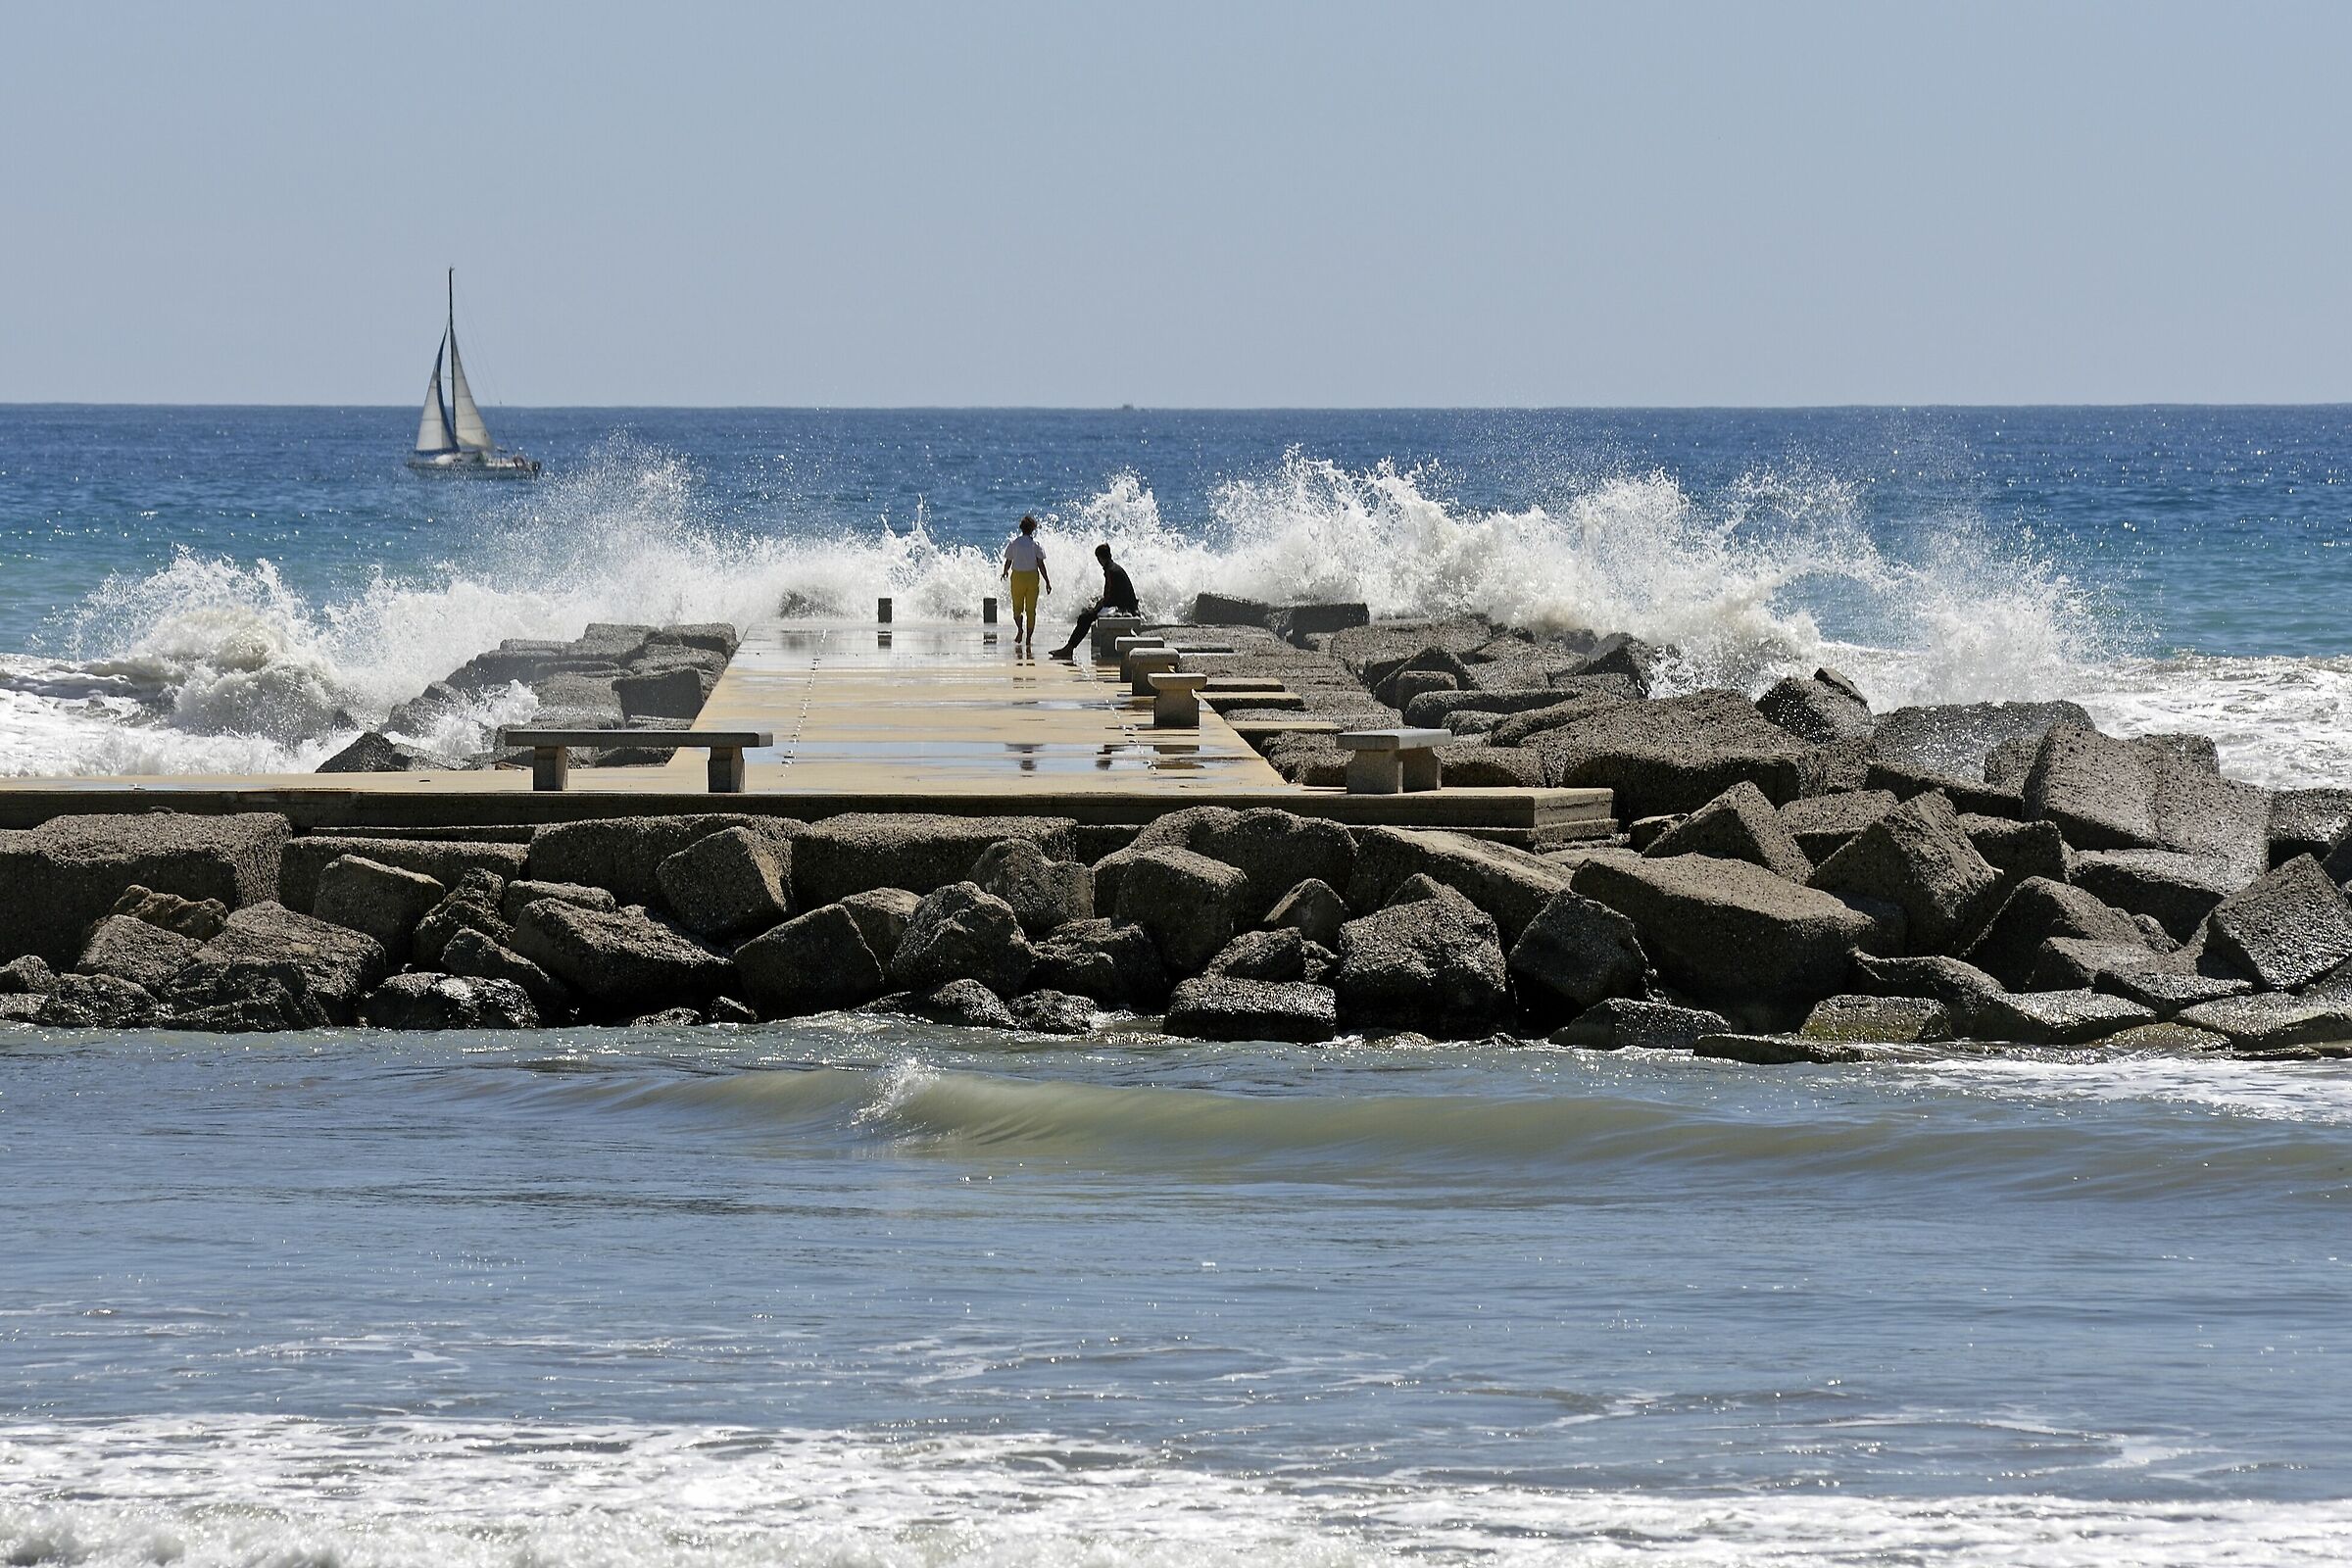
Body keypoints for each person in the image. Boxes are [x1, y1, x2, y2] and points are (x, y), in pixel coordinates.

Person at [1049, 542, 1141, 660]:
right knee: (1087, 613)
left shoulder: (1110, 571)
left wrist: (1098, 606)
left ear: (1101, 558)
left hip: (1123, 608)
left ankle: (1069, 648)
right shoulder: (1113, 567)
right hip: (1123, 604)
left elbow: (1109, 597)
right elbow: (1112, 594)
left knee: (1085, 617)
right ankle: (1069, 647)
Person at [999, 514, 1052, 648]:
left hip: (1017, 578)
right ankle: (1028, 638)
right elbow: (1041, 564)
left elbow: (1008, 561)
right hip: (1032, 578)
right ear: (1033, 529)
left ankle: (1020, 629)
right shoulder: (1036, 544)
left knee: (1017, 608)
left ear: (1021, 528)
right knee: (1031, 610)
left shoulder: (1014, 543)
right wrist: (1047, 581)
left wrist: (1005, 572)